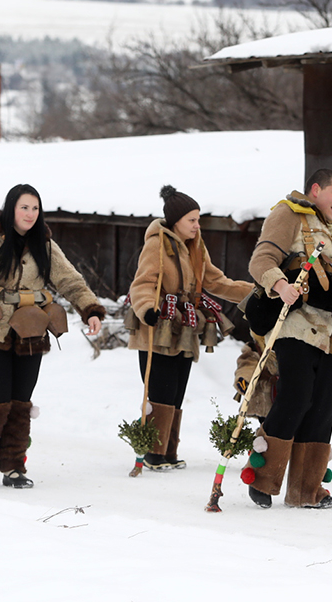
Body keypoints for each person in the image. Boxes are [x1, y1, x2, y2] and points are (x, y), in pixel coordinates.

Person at [0, 184, 105, 489]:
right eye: (24, 207)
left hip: (31, 330)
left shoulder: (45, 245)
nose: (30, 214)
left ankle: (13, 466)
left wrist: (90, 309)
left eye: (35, 208)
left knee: (21, 401)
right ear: (11, 208)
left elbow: (70, 281)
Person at [243, 169, 332, 509]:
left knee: (321, 410)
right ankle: (261, 479)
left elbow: (327, 274)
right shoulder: (288, 213)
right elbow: (261, 260)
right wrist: (280, 285)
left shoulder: (329, 229)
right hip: (296, 326)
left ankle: (307, 492)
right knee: (295, 399)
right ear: (315, 189)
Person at [127, 185, 252, 470]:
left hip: (184, 325)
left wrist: (256, 293)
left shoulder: (196, 247)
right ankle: (154, 452)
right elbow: (143, 283)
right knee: (161, 386)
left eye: (198, 219)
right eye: (192, 220)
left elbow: (217, 282)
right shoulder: (157, 245)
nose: (197, 225)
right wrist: (147, 309)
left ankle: (168, 451)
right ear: (175, 222)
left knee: (177, 387)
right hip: (158, 324)